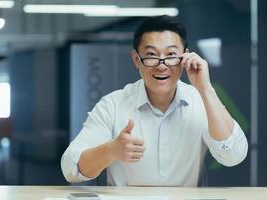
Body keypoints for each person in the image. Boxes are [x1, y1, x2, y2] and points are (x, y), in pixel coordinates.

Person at [61, 15, 248, 187]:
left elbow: (233, 155)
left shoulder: (201, 101)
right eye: (151, 55)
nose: (162, 65)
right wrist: (111, 150)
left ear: (185, 56)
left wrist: (205, 89)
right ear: (136, 59)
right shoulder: (113, 105)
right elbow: (71, 168)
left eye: (171, 55)